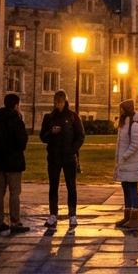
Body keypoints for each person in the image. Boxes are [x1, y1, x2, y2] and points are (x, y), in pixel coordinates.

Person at [0, 92, 30, 235]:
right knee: (14, 192)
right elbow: (22, 142)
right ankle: (15, 222)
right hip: (13, 163)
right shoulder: (17, 121)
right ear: (16, 105)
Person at [38, 89, 84, 228]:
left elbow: (80, 136)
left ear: (65, 102)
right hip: (54, 157)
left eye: (60, 102)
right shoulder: (49, 117)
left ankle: (72, 215)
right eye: (56, 102)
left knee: (71, 186)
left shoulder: (73, 117)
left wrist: (72, 149)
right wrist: (51, 132)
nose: (58, 104)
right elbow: (43, 137)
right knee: (53, 186)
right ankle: (53, 214)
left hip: (68, 157)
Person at [113, 99, 138, 231]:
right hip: (124, 164)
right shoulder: (124, 124)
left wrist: (125, 156)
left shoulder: (134, 125)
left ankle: (134, 218)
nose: (120, 111)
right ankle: (127, 216)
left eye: (122, 109)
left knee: (133, 190)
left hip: (132, 164)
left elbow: (135, 145)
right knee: (126, 189)